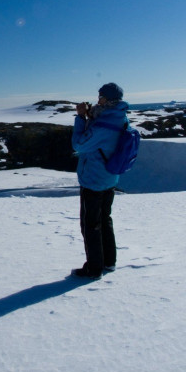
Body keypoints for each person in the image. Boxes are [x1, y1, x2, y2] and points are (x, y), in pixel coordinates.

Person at [70, 82, 130, 279]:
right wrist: (90, 117)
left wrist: (80, 118)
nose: (98, 99)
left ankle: (94, 268)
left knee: (90, 224)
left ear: (108, 99)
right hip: (109, 177)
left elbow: (80, 144)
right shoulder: (118, 117)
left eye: (101, 97)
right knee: (104, 220)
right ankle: (108, 262)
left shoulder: (105, 124)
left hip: (94, 179)